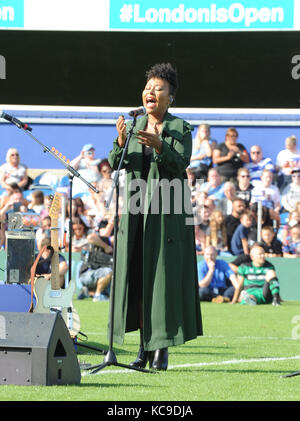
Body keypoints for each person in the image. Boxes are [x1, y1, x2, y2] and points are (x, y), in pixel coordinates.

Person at [108, 62, 202, 371]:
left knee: (162, 279)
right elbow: (116, 163)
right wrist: (121, 141)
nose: (151, 92)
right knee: (138, 277)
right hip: (136, 208)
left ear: (170, 97)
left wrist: (161, 146)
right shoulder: (134, 125)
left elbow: (180, 164)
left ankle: (161, 349)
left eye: (158, 89)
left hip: (168, 209)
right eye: (148, 87)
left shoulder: (180, 128)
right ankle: (142, 349)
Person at [77, 231, 113, 302]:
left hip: (95, 274)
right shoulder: (96, 243)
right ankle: (97, 295)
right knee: (108, 272)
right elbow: (90, 237)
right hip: (87, 274)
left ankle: (87, 291)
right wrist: (106, 247)